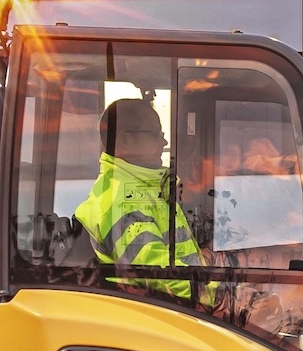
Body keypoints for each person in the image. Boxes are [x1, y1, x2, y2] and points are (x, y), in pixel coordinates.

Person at [75, 97, 209, 298]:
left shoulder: (146, 188)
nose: (164, 142)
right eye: (155, 134)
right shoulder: (120, 200)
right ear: (125, 140)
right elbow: (157, 275)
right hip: (165, 312)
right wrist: (223, 294)